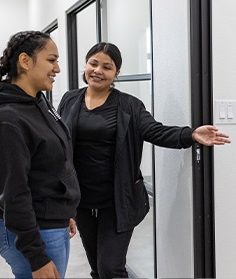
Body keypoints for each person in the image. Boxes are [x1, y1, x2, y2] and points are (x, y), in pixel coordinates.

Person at [58, 42, 231, 279]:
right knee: (97, 268)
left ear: (116, 73)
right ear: (86, 65)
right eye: (93, 63)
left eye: (107, 67)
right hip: (82, 200)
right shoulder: (70, 99)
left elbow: (155, 131)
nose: (98, 70)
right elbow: (60, 143)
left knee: (111, 268)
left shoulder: (129, 105)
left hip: (118, 200)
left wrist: (190, 134)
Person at [0, 30, 81, 279]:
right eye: (51, 59)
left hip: (52, 222)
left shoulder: (38, 101)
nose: (57, 68)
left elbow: (54, 163)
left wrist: (64, 209)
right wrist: (36, 257)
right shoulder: (9, 119)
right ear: (25, 61)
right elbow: (14, 193)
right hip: (34, 232)